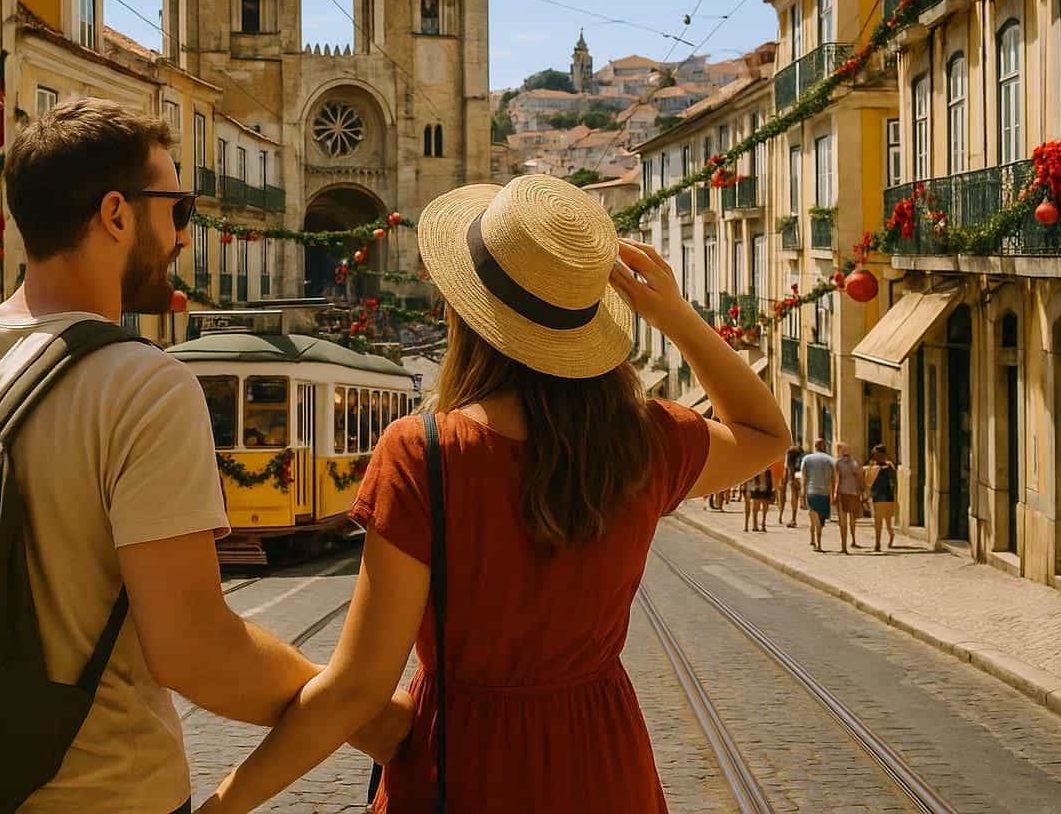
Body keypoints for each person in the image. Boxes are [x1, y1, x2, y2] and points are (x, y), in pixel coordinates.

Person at [0, 100, 408, 814]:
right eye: (177, 210)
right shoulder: (142, 386)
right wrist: (364, 714)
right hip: (100, 793)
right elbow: (195, 651)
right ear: (117, 214)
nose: (184, 236)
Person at [194, 176, 792, 813]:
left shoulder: (424, 452)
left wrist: (225, 804)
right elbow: (764, 434)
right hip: (604, 765)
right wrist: (673, 316)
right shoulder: (645, 441)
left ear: (462, 315)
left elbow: (356, 692)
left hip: (464, 765)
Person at [799, 439, 835, 553]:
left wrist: (802, 492)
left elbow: (803, 477)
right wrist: (833, 492)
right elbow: (834, 478)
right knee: (820, 520)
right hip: (824, 493)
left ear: (815, 446)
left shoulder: (807, 458)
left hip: (811, 491)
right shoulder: (830, 459)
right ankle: (817, 542)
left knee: (813, 517)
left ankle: (814, 540)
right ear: (824, 446)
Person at [831, 442, 867, 553]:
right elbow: (860, 478)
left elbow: (836, 480)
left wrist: (834, 495)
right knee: (852, 519)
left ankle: (844, 547)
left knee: (842, 520)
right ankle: (854, 540)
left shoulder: (837, 463)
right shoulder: (855, 462)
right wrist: (862, 491)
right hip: (854, 493)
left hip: (842, 493)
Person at [867, 444, 898, 552]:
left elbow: (894, 480)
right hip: (878, 496)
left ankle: (890, 537)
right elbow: (869, 481)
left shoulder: (889, 465)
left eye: (878, 454)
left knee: (888, 522)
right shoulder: (874, 466)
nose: (877, 456)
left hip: (887, 495)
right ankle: (877, 543)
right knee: (878, 521)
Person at [780, 442, 804, 526]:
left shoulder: (789, 454)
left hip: (793, 476)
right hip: (799, 475)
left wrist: (787, 479)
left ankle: (791, 518)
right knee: (796, 496)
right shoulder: (801, 455)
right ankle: (793, 517)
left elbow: (788, 468)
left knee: (793, 497)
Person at [744, 465, 774, 532]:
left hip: (764, 477)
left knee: (765, 504)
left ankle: (763, 524)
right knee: (755, 504)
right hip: (755, 477)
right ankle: (753, 524)